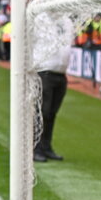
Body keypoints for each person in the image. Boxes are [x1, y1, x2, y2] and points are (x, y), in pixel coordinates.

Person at [32, 14, 71, 163]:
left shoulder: (67, 21)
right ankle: (35, 148)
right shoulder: (40, 18)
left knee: (51, 114)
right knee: (41, 112)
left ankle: (46, 147)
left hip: (60, 72)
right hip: (44, 71)